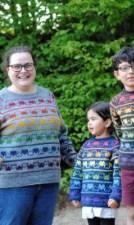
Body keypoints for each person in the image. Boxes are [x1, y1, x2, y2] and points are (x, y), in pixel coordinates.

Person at [0, 46, 77, 225]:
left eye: (28, 65)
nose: (23, 71)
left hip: (49, 181)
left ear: (34, 67)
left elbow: (61, 135)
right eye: (17, 66)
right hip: (13, 183)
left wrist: (80, 163)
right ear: (7, 69)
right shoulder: (2, 99)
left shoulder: (48, 96)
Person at [110, 46, 134, 225]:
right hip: (129, 164)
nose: (130, 72)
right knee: (133, 212)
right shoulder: (115, 102)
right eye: (124, 68)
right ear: (117, 74)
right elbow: (119, 131)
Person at [69, 101, 122, 225]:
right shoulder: (86, 146)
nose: (89, 123)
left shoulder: (115, 146)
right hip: (88, 199)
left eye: (93, 119)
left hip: (107, 201)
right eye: (88, 120)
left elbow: (118, 174)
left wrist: (116, 195)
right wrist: (74, 193)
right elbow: (77, 171)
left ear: (107, 122)